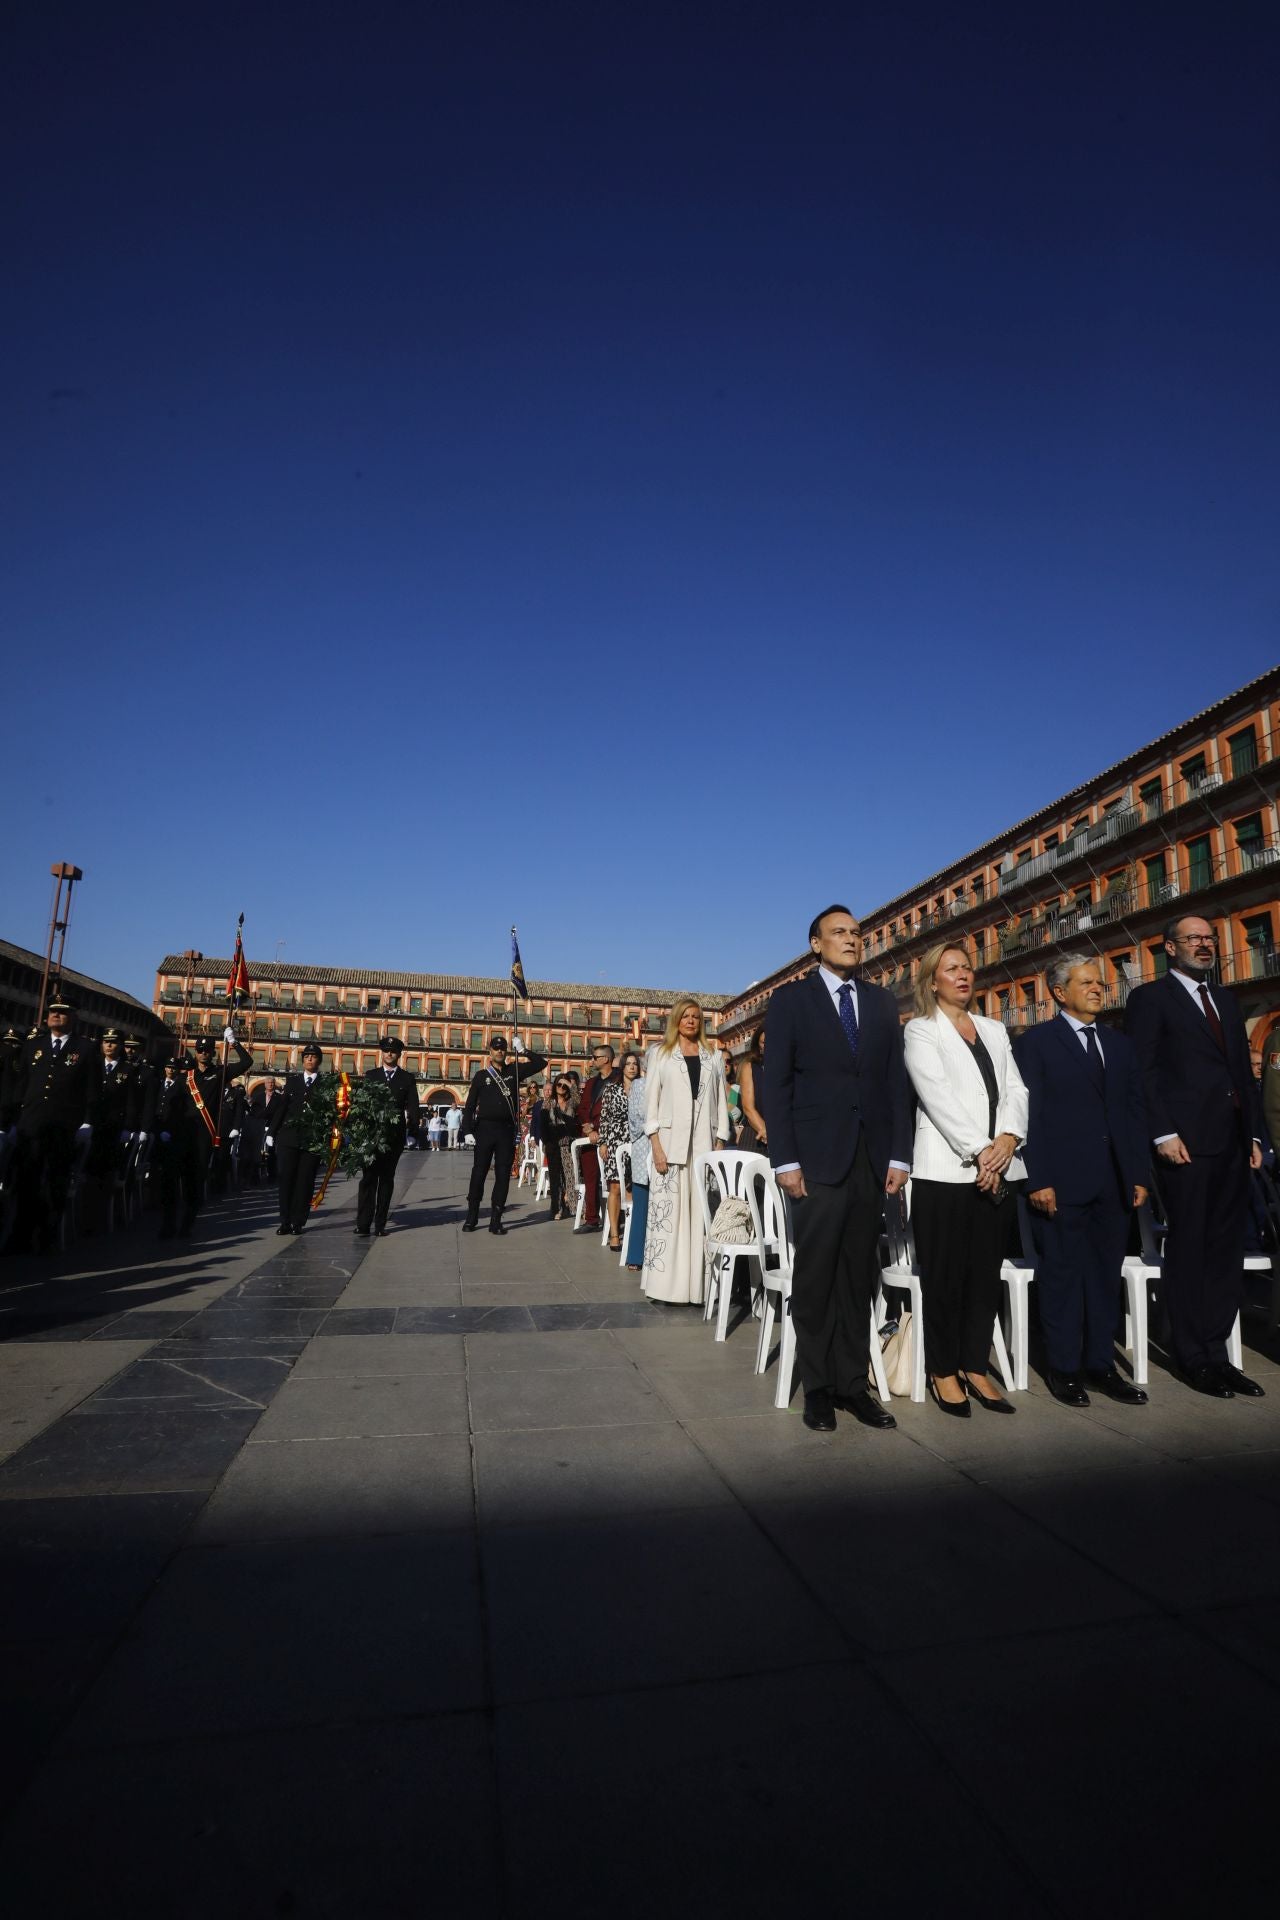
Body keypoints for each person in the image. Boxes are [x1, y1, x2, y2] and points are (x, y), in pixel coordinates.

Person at [767, 907, 912, 1433]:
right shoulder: (791, 1001)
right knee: (816, 1277)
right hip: (815, 1161)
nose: (852, 940)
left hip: (869, 1160)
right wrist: (785, 1160)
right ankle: (819, 1389)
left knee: (857, 1275)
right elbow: (777, 1084)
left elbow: (895, 1082)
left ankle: (853, 1385)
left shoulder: (880, 1002)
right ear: (816, 943)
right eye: (839, 933)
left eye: (856, 933)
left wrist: (899, 1154)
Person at [1125, 914, 1265, 1397]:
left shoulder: (1225, 999)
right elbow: (1142, 1072)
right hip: (1184, 1146)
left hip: (1232, 1143)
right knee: (1191, 1248)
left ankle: (1217, 1353)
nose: (1205, 945)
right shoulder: (1150, 999)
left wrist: (1254, 1135)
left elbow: (1242, 1072)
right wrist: (1162, 1132)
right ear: (1170, 948)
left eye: (1209, 938)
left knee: (1226, 1249)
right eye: (1193, 939)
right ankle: (1192, 1357)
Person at [1014, 955, 1150, 1407]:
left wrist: (1137, 1173)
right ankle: (1064, 1368)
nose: (1098, 989)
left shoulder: (1119, 1044)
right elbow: (1029, 1116)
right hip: (1060, 1182)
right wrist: (1037, 1179)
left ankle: (1101, 1365)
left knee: (1104, 1278)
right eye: (1087, 982)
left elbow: (1134, 1111)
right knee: (1062, 1277)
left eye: (1100, 983)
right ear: (1059, 992)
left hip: (1113, 1182)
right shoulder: (1036, 1044)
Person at [904, 942, 1027, 1417]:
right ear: (932, 981)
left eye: (967, 967)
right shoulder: (921, 1029)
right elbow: (935, 1095)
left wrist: (1008, 1140)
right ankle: (943, 1370)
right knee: (945, 1276)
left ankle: (975, 1365)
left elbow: (1015, 1088)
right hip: (945, 1171)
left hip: (1001, 1164)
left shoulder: (994, 1029)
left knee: (984, 1275)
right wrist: (981, 1152)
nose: (962, 975)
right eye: (951, 968)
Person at [642, 998, 731, 1305]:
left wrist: (720, 1141)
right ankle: (665, 1288)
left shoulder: (713, 1056)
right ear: (676, 1021)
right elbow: (651, 1103)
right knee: (668, 1218)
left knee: (701, 1217)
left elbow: (721, 1102)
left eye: (696, 1016)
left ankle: (700, 1289)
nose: (691, 1020)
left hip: (704, 1145)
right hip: (669, 1146)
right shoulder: (661, 1054)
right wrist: (656, 1146)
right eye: (686, 1016)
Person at [11, 992, 101, 1252]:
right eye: (52, 1011)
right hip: (31, 1124)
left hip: (64, 1125)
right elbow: (22, 1084)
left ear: (73, 1017)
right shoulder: (33, 1045)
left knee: (55, 1181)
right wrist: (14, 1120)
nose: (56, 1015)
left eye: (62, 1011)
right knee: (26, 1179)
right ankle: (20, 1236)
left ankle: (47, 1236)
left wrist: (87, 1123)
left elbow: (92, 1091)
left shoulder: (85, 1049)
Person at [460, 1034, 547, 1233]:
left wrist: (523, 1050)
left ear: (506, 1051)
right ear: (489, 1051)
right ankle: (471, 1216)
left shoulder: (514, 1070)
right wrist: (467, 1130)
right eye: (496, 1048)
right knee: (479, 1172)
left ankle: (496, 1219)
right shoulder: (481, 1076)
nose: (499, 1051)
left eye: (503, 1048)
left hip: (506, 1130)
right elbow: (470, 1105)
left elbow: (541, 1063)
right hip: (484, 1129)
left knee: (502, 1174)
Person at [355, 1035, 421, 1236]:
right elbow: (362, 1103)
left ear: (399, 1054)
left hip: (394, 1136)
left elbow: (413, 1106)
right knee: (368, 1179)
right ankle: (363, 1223)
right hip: (371, 1135)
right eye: (386, 1050)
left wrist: (413, 1131)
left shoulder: (407, 1078)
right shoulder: (371, 1075)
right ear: (382, 1053)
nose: (389, 1054)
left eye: (393, 1051)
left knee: (386, 1179)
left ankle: (380, 1224)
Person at [266, 1042, 329, 1233]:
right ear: (302, 1060)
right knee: (286, 1179)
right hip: (289, 1138)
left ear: (319, 1061)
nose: (309, 1059)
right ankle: (284, 1221)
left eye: (313, 1056)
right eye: (306, 1056)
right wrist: (271, 1132)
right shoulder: (292, 1081)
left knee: (305, 1182)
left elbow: (331, 1113)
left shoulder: (326, 1084)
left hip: (312, 1141)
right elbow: (282, 1108)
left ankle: (298, 1222)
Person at [189, 1029, 254, 1201]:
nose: (204, 1053)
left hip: (206, 1130)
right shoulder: (188, 1073)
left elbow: (247, 1061)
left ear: (213, 1053)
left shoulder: (220, 1073)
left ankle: (195, 1204)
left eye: (207, 1050)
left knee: (201, 1169)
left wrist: (233, 1041)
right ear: (195, 1052)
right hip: (187, 1129)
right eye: (200, 1050)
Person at [152, 1052, 202, 1238]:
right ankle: (167, 1221)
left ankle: (181, 1225)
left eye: (182, 1069)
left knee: (182, 1183)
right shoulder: (164, 1084)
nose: (178, 1072)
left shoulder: (188, 1088)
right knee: (166, 1180)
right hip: (165, 1136)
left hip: (184, 1140)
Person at [575, 1045, 619, 1232]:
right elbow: (583, 1108)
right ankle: (592, 1219)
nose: (592, 1060)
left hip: (612, 1136)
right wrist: (588, 1127)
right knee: (590, 1178)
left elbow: (617, 1109)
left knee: (614, 1180)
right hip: (589, 1137)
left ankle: (616, 1220)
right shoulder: (592, 1082)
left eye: (595, 1057)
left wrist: (596, 1127)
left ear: (605, 1059)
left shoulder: (619, 1079)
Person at [599, 1050, 635, 1252]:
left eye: (635, 1064)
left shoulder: (643, 1088)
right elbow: (604, 1117)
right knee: (615, 1188)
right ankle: (614, 1233)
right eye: (628, 1064)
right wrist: (603, 1142)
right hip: (614, 1140)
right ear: (622, 1068)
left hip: (637, 1141)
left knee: (632, 1188)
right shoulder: (611, 1089)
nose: (632, 1067)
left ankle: (631, 1232)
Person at [621, 1049, 649, 1268]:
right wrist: (656, 1126)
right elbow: (634, 1121)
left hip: (669, 1149)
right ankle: (636, 1256)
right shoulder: (638, 1085)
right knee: (641, 1204)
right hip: (643, 1148)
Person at [542, 1075, 581, 1221]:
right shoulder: (549, 1102)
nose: (561, 1087)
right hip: (553, 1144)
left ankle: (574, 1207)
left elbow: (579, 1100)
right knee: (555, 1179)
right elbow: (543, 1124)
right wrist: (546, 1142)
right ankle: (557, 1208)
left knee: (571, 1177)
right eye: (559, 1084)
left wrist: (570, 1084)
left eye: (564, 1085)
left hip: (568, 1145)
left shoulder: (571, 1102)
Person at [737, 1025, 768, 1151]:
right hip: (754, 1135)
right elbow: (748, 1107)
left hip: (784, 1133)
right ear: (758, 1045)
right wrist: (764, 1131)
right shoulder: (749, 1067)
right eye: (764, 1043)